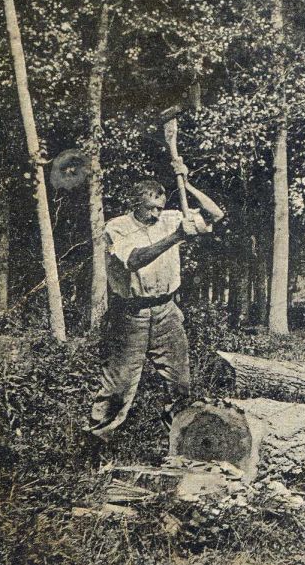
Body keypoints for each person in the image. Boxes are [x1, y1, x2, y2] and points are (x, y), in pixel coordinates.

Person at [86, 158, 224, 442]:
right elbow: (135, 260)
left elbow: (216, 214)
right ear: (134, 204)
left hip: (167, 311)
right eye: (151, 208)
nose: (157, 214)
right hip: (131, 315)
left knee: (180, 382)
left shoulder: (171, 218)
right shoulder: (117, 227)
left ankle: (178, 441)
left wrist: (187, 184)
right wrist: (176, 237)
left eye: (160, 207)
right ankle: (97, 442)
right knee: (119, 385)